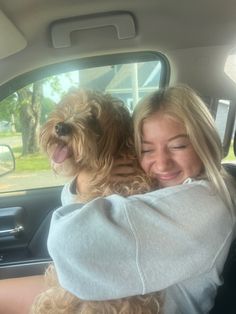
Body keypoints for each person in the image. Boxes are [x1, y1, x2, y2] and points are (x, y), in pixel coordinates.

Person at [47, 84, 236, 314]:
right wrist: (83, 184)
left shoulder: (204, 205)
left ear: (204, 141)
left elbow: (68, 243)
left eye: (178, 146)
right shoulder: (169, 187)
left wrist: (87, 183)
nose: (162, 163)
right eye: (146, 150)